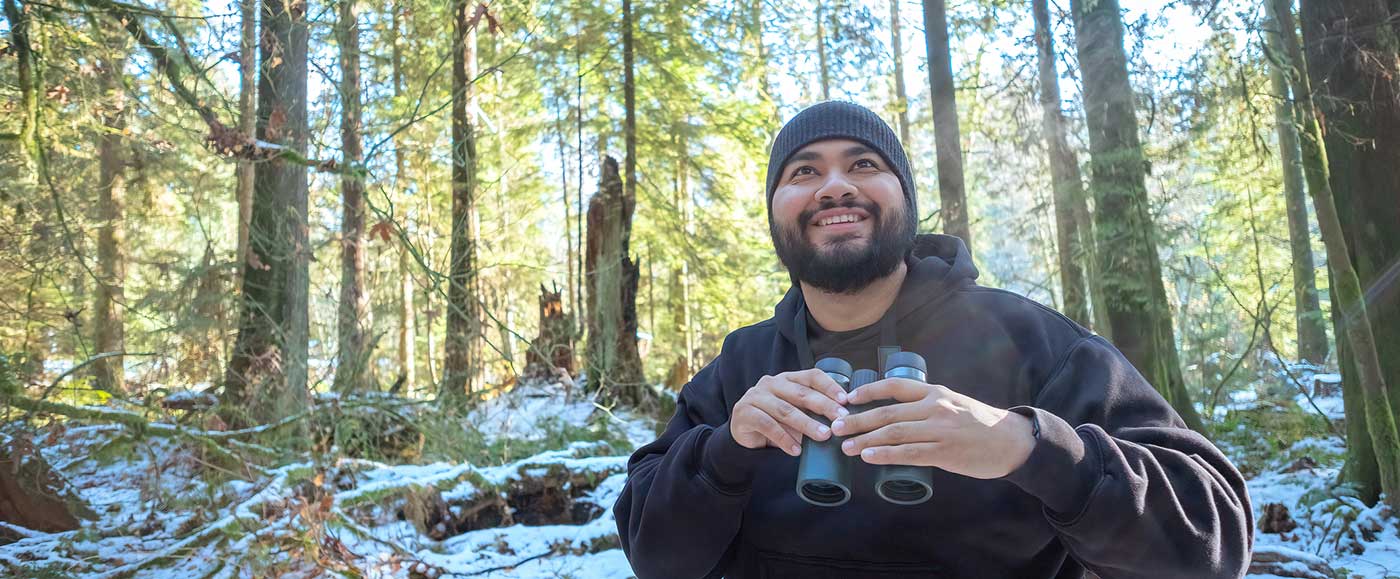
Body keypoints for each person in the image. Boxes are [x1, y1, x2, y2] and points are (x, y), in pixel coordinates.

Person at [613, 101, 1252, 579]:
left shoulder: (1029, 340)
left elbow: (1214, 543)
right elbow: (655, 556)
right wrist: (723, 455)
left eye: (864, 165)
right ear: (777, 212)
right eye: (804, 172)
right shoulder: (742, 368)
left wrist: (1026, 448)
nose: (835, 185)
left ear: (906, 201)